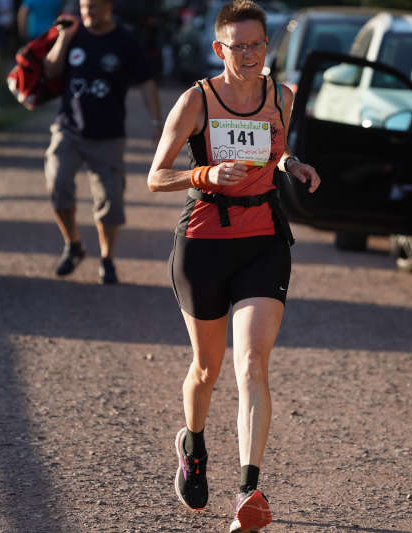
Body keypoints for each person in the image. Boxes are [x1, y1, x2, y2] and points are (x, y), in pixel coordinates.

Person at [146, 1, 320, 530]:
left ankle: (249, 489)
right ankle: (193, 443)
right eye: (238, 46)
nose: (248, 55)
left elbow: (276, 148)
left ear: (268, 47)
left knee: (253, 365)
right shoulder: (196, 101)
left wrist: (293, 164)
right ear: (218, 48)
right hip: (203, 242)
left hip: (263, 239)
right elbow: (156, 175)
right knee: (207, 369)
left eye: (257, 45)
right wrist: (204, 174)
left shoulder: (281, 96)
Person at [41, 0, 161, 284]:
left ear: (109, 6)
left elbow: (146, 82)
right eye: (83, 7)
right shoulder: (73, 35)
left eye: (93, 7)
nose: (87, 13)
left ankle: (107, 259)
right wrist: (62, 38)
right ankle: (73, 245)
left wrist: (157, 122)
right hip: (68, 129)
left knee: (110, 202)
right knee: (57, 182)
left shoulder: (125, 41)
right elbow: (50, 70)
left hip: (109, 134)